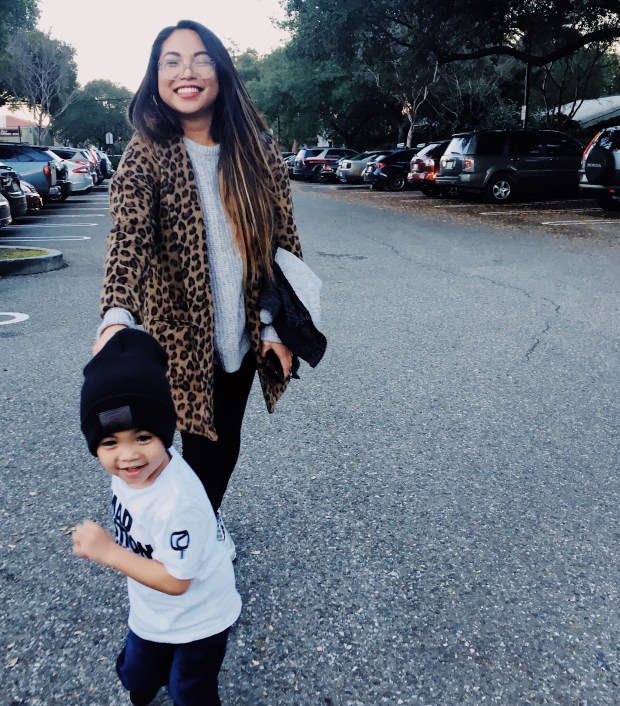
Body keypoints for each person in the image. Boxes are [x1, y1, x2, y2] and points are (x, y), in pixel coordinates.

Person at [93, 20, 303, 557]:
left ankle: (201, 525)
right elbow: (129, 236)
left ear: (220, 71)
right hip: (177, 338)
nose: (185, 71)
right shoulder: (146, 151)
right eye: (171, 61)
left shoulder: (258, 151)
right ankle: (183, 545)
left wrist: (277, 329)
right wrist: (116, 314)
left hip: (245, 333)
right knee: (183, 443)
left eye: (199, 58)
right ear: (156, 75)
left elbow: (283, 248)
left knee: (223, 442)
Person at [74, 328, 241, 706]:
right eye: (110, 442)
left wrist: (109, 552)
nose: (128, 455)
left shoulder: (177, 502)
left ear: (165, 433)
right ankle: (144, 687)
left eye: (143, 437)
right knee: (137, 673)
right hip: (151, 610)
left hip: (200, 617)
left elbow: (176, 581)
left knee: (189, 690)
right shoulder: (132, 474)